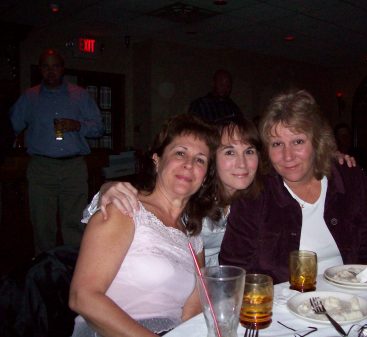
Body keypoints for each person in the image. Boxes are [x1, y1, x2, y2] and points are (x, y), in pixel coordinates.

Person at [69, 114, 219, 337]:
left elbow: (191, 312)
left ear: (205, 177)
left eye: (200, 160)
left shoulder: (193, 237)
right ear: (157, 160)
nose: (189, 164)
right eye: (180, 153)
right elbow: (83, 297)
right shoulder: (125, 208)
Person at [219, 89, 367, 284]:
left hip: (351, 300)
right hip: (281, 307)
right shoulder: (255, 195)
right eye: (277, 144)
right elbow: (234, 270)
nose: (287, 156)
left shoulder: (348, 179)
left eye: (298, 141)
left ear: (317, 142)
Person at [84, 116, 264, 266]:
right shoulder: (190, 194)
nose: (242, 163)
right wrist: (107, 190)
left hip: (221, 286)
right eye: (230, 152)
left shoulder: (259, 199)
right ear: (212, 159)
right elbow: (146, 205)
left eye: (249, 151)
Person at [9, 49, 104, 255]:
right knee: (42, 222)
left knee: (75, 221)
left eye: (55, 66)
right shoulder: (29, 97)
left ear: (62, 68)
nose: (50, 72)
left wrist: (78, 125)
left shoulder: (80, 95)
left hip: (74, 167)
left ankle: (73, 267)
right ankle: (44, 268)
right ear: (40, 69)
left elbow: (98, 128)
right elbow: (11, 126)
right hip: (41, 167)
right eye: (45, 67)